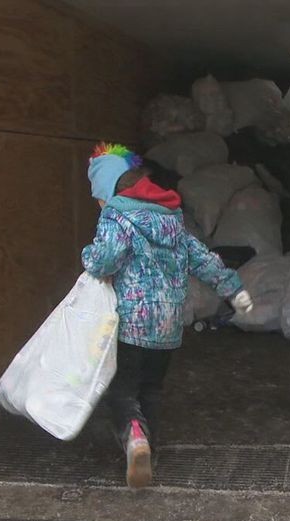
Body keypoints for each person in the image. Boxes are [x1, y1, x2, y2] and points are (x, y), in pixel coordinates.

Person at [82, 143, 253, 489]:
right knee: (152, 389)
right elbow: (202, 258)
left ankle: (135, 439)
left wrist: (88, 254)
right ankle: (149, 449)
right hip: (169, 325)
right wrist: (234, 289)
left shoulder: (117, 216)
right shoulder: (171, 218)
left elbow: (104, 260)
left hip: (131, 322)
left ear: (110, 191)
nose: (100, 206)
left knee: (122, 390)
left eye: (99, 198)